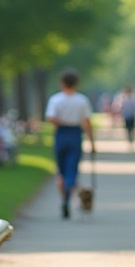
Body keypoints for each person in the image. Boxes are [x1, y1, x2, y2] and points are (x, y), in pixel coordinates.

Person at [45, 69, 96, 219]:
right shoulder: (81, 100)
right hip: (75, 133)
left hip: (61, 133)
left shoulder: (56, 99)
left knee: (61, 170)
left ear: (61, 83)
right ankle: (71, 187)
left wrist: (62, 121)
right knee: (72, 167)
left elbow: (50, 118)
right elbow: (87, 122)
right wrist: (92, 142)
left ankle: (65, 198)